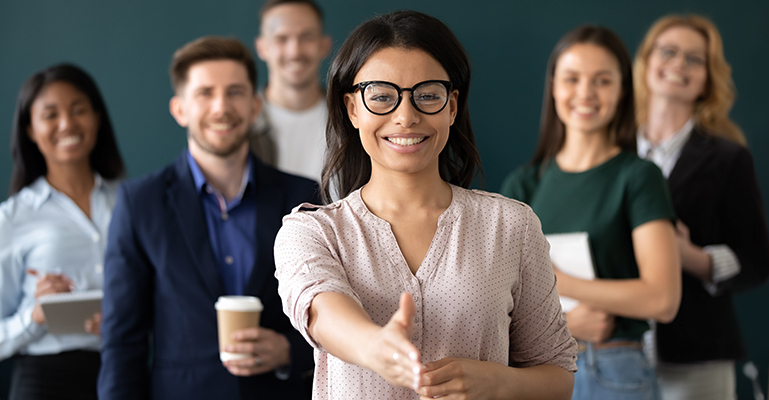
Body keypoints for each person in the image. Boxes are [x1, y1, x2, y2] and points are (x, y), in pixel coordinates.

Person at [274, 10, 578, 400]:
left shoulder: (511, 226)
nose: (406, 116)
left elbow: (558, 376)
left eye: (428, 95)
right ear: (352, 108)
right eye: (381, 96)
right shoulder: (312, 232)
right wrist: (375, 348)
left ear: (452, 106)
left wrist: (500, 382)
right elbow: (320, 309)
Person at [97, 36, 318, 400]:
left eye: (235, 92)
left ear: (254, 106)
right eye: (204, 93)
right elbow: (123, 341)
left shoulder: (304, 197)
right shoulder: (140, 203)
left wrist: (289, 353)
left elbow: (332, 317)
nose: (221, 107)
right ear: (179, 108)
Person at [501, 26, 681, 400]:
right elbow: (498, 304)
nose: (585, 93)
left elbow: (662, 299)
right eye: (572, 79)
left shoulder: (638, 177)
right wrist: (566, 324)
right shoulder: (523, 186)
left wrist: (559, 281)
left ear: (622, 92)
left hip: (614, 370)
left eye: (602, 81)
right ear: (553, 87)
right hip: (536, 373)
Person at [633, 14, 769, 400]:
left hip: (697, 358)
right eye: (669, 52)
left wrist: (690, 256)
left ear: (708, 78)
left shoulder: (729, 159)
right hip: (616, 353)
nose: (679, 64)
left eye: (695, 59)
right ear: (646, 62)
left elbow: (757, 262)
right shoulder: (611, 151)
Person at [0, 64, 126, 400]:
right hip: (44, 380)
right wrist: (35, 316)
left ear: (97, 117)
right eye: (50, 114)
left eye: (79, 110)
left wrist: (127, 318)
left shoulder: (130, 202)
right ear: (29, 128)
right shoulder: (12, 218)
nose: (67, 124)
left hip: (123, 371)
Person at [250, 0, 332, 182]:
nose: (294, 51)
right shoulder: (242, 124)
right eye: (281, 39)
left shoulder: (351, 120)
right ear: (262, 47)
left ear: (324, 45)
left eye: (307, 37)